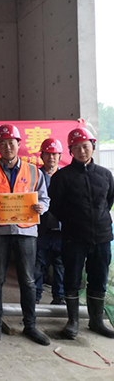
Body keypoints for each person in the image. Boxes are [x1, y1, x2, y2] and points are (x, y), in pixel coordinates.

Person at [0, 124, 51, 346]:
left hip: (25, 230)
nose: (7, 147)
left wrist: (41, 207)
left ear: (19, 144)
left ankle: (30, 325)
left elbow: (44, 198)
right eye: (2, 143)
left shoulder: (34, 171)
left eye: (11, 142)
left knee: (28, 279)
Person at [49, 127, 114, 339]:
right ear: (70, 151)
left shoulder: (105, 175)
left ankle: (96, 321)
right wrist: (74, 221)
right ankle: (73, 322)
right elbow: (55, 207)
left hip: (102, 237)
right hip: (74, 238)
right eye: (76, 148)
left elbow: (108, 201)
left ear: (92, 147)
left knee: (99, 278)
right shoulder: (62, 177)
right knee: (72, 278)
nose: (81, 151)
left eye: (85, 146)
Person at [34, 138, 64, 305]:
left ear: (60, 156)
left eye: (54, 154)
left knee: (60, 265)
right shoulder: (34, 175)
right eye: (47, 154)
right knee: (38, 264)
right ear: (42, 156)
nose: (51, 157)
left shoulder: (65, 176)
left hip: (60, 230)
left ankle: (59, 297)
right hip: (40, 229)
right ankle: (35, 296)